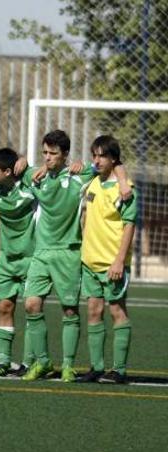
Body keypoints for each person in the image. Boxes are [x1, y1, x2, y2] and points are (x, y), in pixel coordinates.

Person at [21, 130, 129, 382]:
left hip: (69, 252)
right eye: (44, 153)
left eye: (53, 153)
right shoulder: (36, 176)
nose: (47, 158)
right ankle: (44, 362)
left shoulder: (81, 176)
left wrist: (123, 182)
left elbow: (115, 163)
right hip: (41, 252)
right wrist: (22, 160)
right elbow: (8, 169)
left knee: (70, 310)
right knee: (30, 304)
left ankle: (68, 365)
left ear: (65, 155)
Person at [77, 135, 137, 384]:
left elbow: (128, 226)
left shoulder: (126, 190)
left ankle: (119, 370)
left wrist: (119, 261)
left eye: (102, 155)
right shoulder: (91, 181)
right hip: (89, 261)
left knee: (116, 310)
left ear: (113, 158)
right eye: (94, 155)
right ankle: (96, 367)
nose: (97, 160)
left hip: (112, 263)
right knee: (93, 311)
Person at [0, 148, 37, 376]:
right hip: (6, 259)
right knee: (4, 306)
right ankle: (3, 361)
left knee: (32, 310)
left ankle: (29, 362)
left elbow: (40, 172)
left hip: (31, 259)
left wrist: (25, 161)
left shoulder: (30, 187)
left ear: (9, 171)